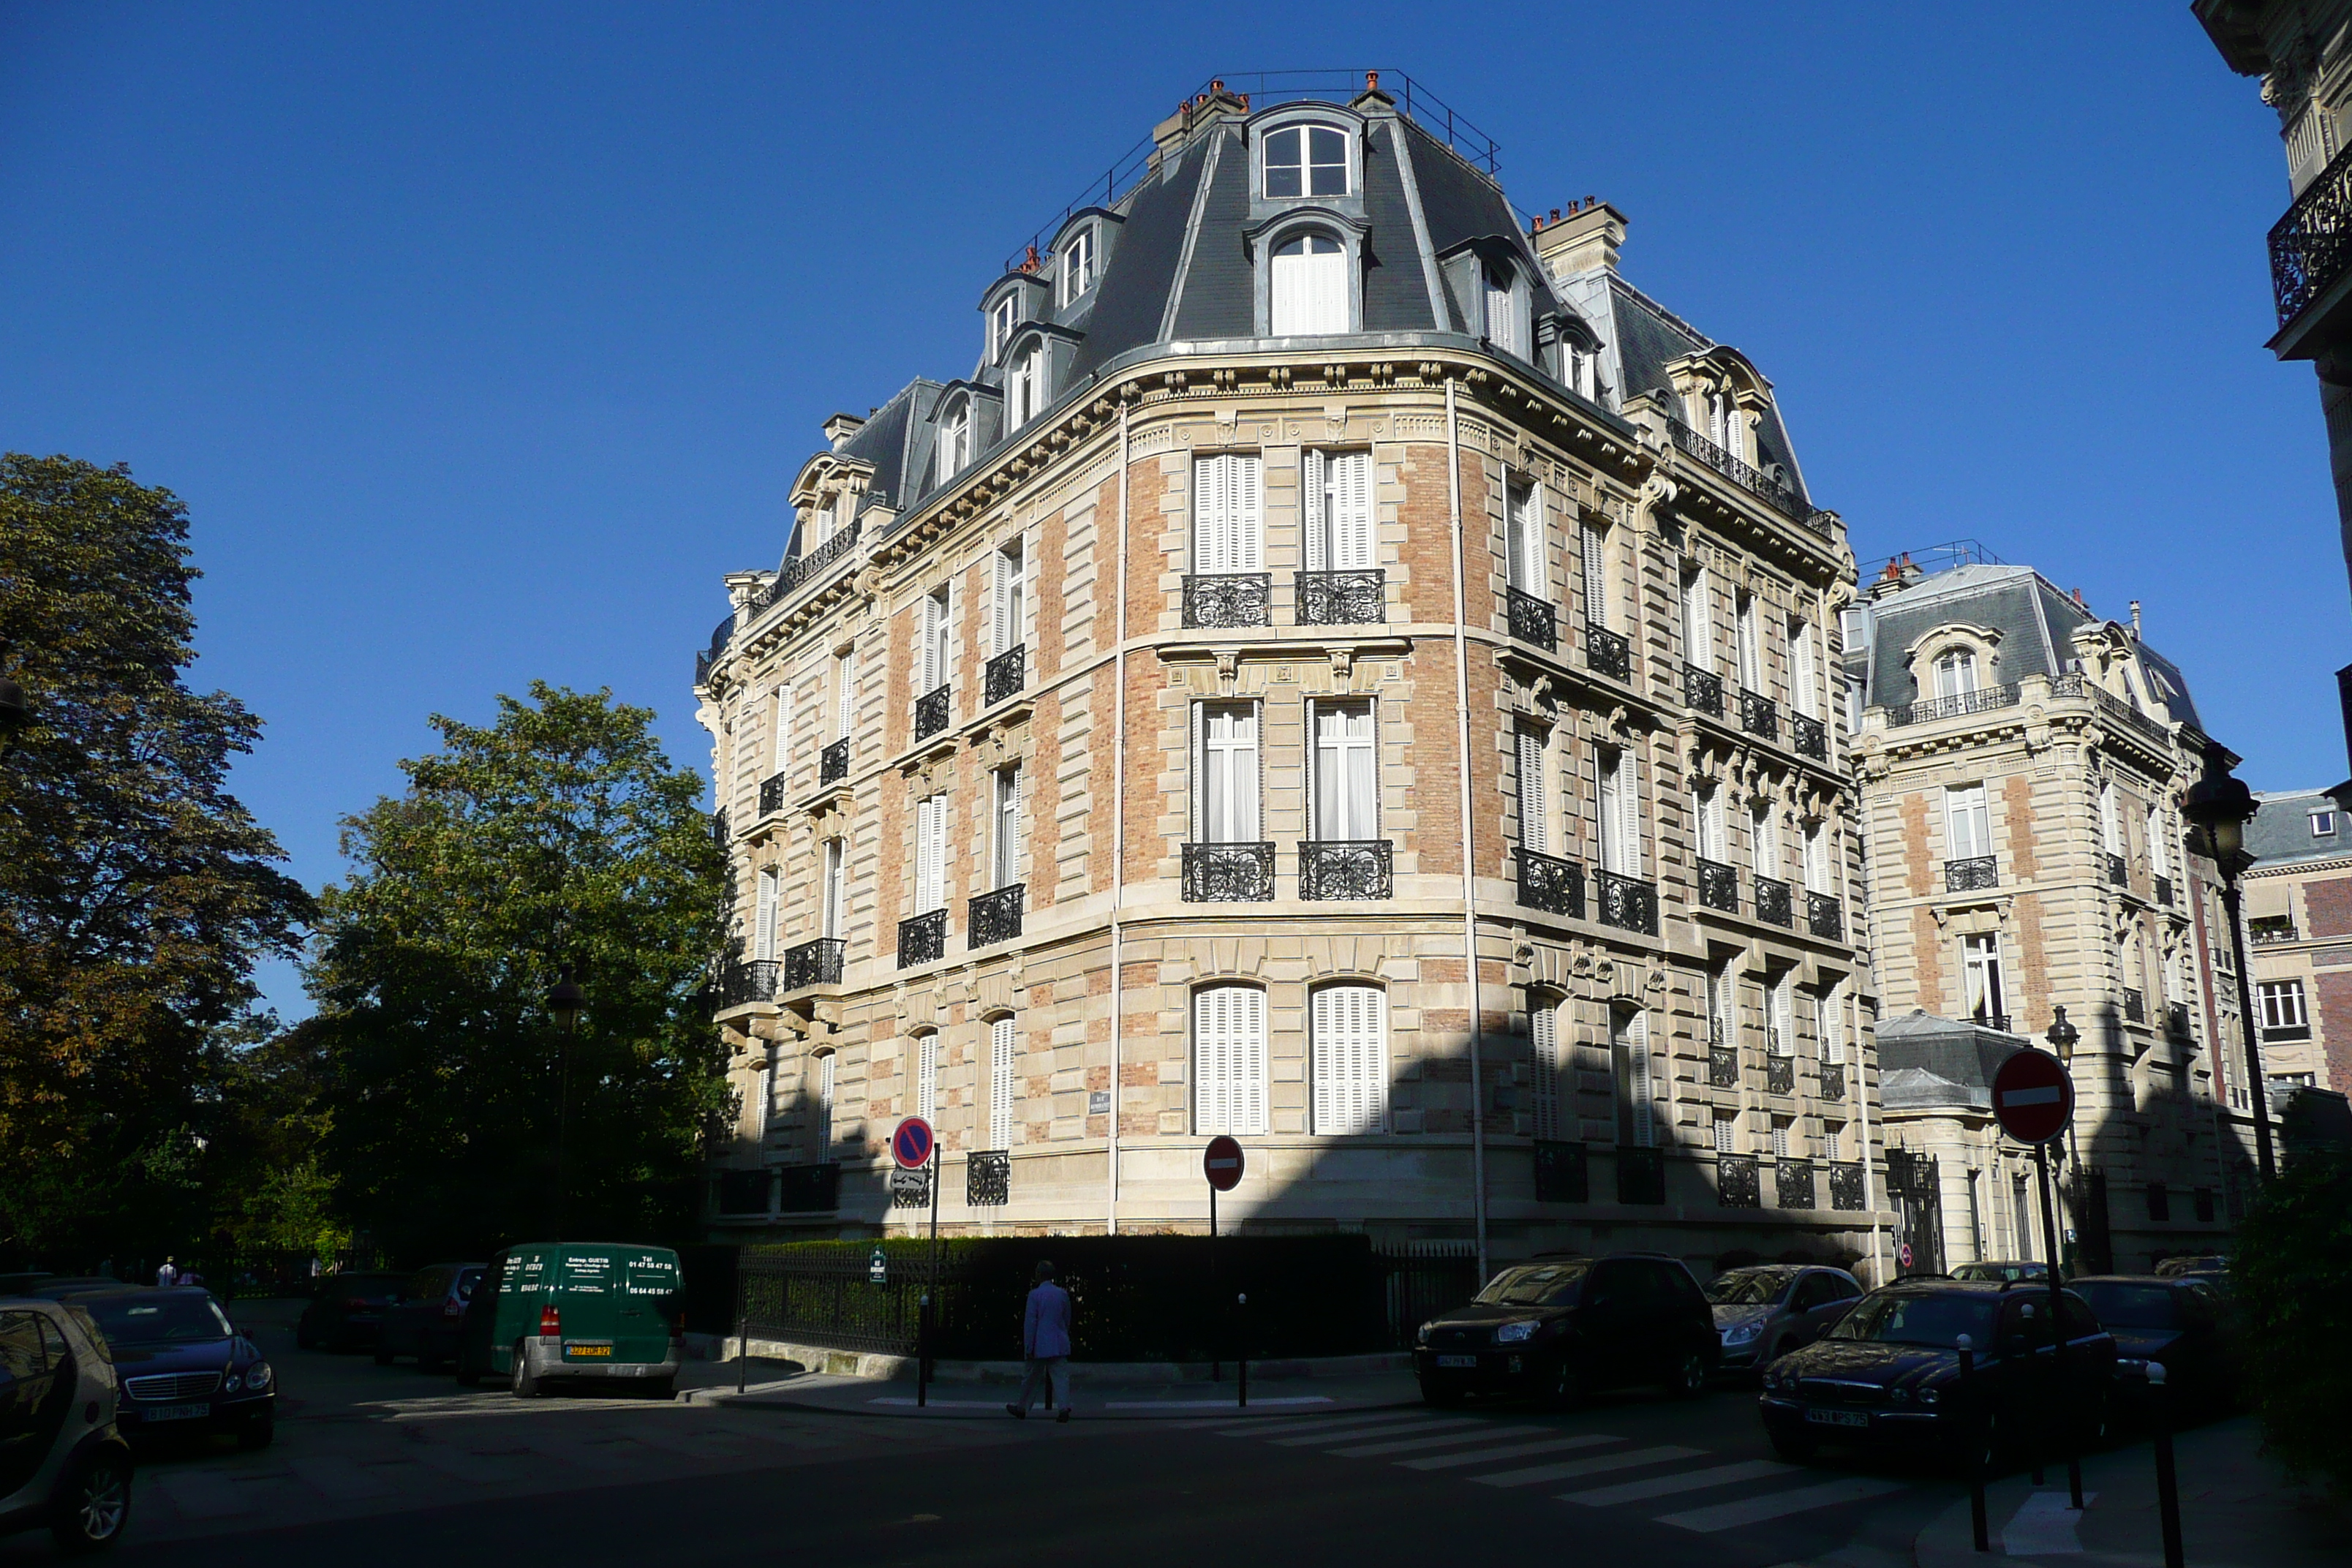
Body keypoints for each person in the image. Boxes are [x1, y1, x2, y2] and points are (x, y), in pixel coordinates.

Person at [1006, 1259, 1072, 1423]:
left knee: (1030, 1378)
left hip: (1039, 1343)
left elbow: (1031, 1323)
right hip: (1058, 1341)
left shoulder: (1034, 1295)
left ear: (1039, 1275)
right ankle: (1063, 1408)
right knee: (1061, 1377)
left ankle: (1022, 1407)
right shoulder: (1062, 1294)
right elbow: (1067, 1318)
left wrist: (1029, 1346)